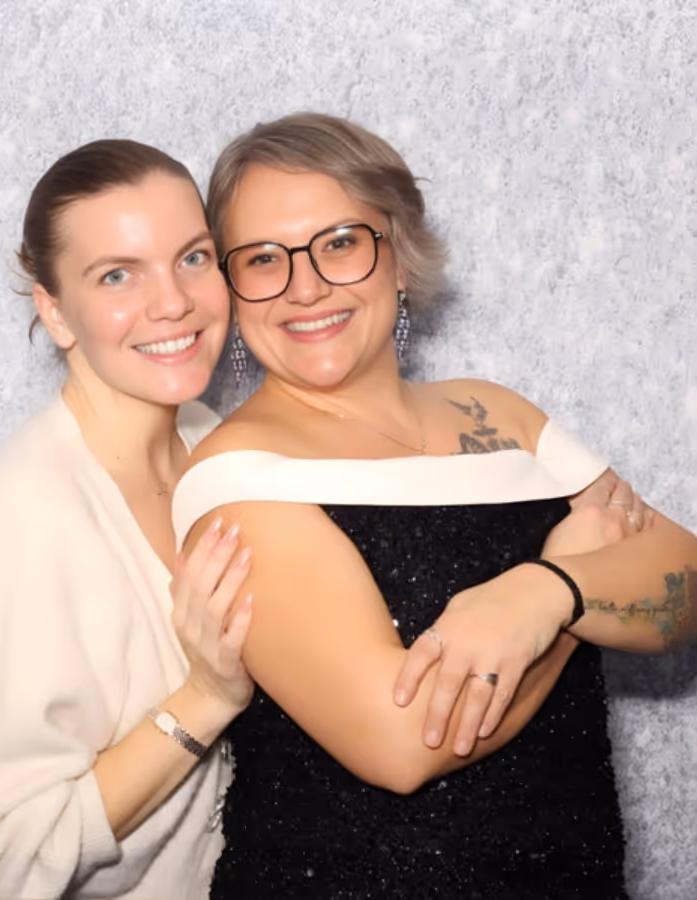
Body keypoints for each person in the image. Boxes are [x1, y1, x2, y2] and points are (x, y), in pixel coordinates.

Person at [172, 113, 697, 898]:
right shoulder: (237, 481)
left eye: (340, 242)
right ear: (233, 287)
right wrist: (563, 578)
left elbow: (682, 584)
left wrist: (541, 594)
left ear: (398, 253)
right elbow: (402, 743)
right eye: (263, 259)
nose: (305, 286)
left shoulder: (500, 415)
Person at [0, 139, 257, 900]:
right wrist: (208, 696)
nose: (173, 301)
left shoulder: (207, 439)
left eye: (193, 257)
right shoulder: (26, 521)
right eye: (116, 275)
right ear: (55, 312)